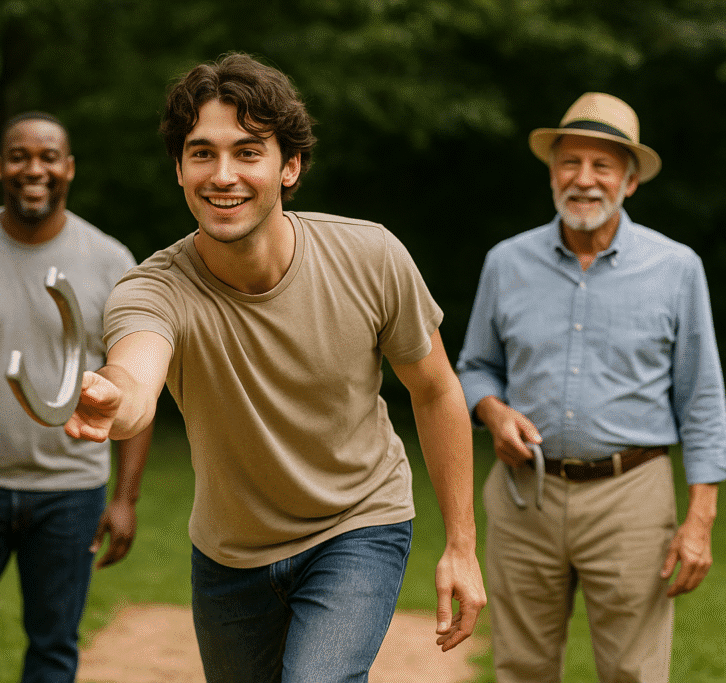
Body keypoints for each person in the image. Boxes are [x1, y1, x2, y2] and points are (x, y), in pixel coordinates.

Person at [64, 52, 485, 682]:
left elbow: (435, 390)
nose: (222, 174)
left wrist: (461, 545)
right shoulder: (152, 289)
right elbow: (135, 378)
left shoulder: (369, 256)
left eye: (248, 151)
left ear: (289, 167)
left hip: (357, 522)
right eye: (201, 153)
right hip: (230, 552)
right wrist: (111, 400)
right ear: (179, 169)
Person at [456, 92, 726, 683]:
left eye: (602, 165)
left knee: (634, 673)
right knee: (521, 667)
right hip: (526, 493)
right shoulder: (507, 262)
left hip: (631, 496)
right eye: (569, 162)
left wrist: (700, 518)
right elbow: (473, 366)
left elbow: (702, 398)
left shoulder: (676, 269)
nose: (584, 179)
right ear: (552, 173)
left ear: (629, 182)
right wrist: (495, 413)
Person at [0, 111, 154, 683]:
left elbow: (134, 383)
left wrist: (124, 498)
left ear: (69, 168)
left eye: (48, 156)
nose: (35, 168)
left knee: (53, 648)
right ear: (0, 167)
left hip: (70, 492)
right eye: (20, 156)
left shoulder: (109, 260)